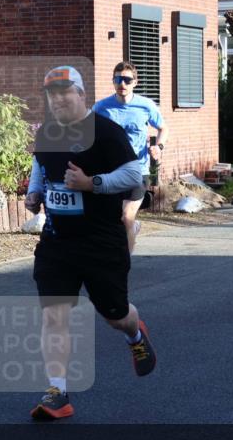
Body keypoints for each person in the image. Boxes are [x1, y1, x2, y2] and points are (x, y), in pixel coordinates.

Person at [24, 66, 156, 421]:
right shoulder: (47, 133)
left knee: (115, 316)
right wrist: (34, 191)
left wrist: (92, 183)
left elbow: (133, 174)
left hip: (101, 242)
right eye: (52, 94)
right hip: (57, 242)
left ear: (81, 95)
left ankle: (135, 333)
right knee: (54, 316)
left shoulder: (104, 131)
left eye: (66, 92)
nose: (59, 99)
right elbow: (40, 164)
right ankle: (57, 392)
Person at [93, 62, 167, 253]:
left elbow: (163, 128)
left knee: (126, 216)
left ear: (135, 82)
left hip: (137, 171)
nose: (122, 84)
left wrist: (158, 147)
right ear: (113, 81)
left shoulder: (145, 105)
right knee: (113, 218)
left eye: (127, 80)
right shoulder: (101, 107)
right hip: (111, 172)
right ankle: (131, 230)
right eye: (118, 79)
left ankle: (124, 259)